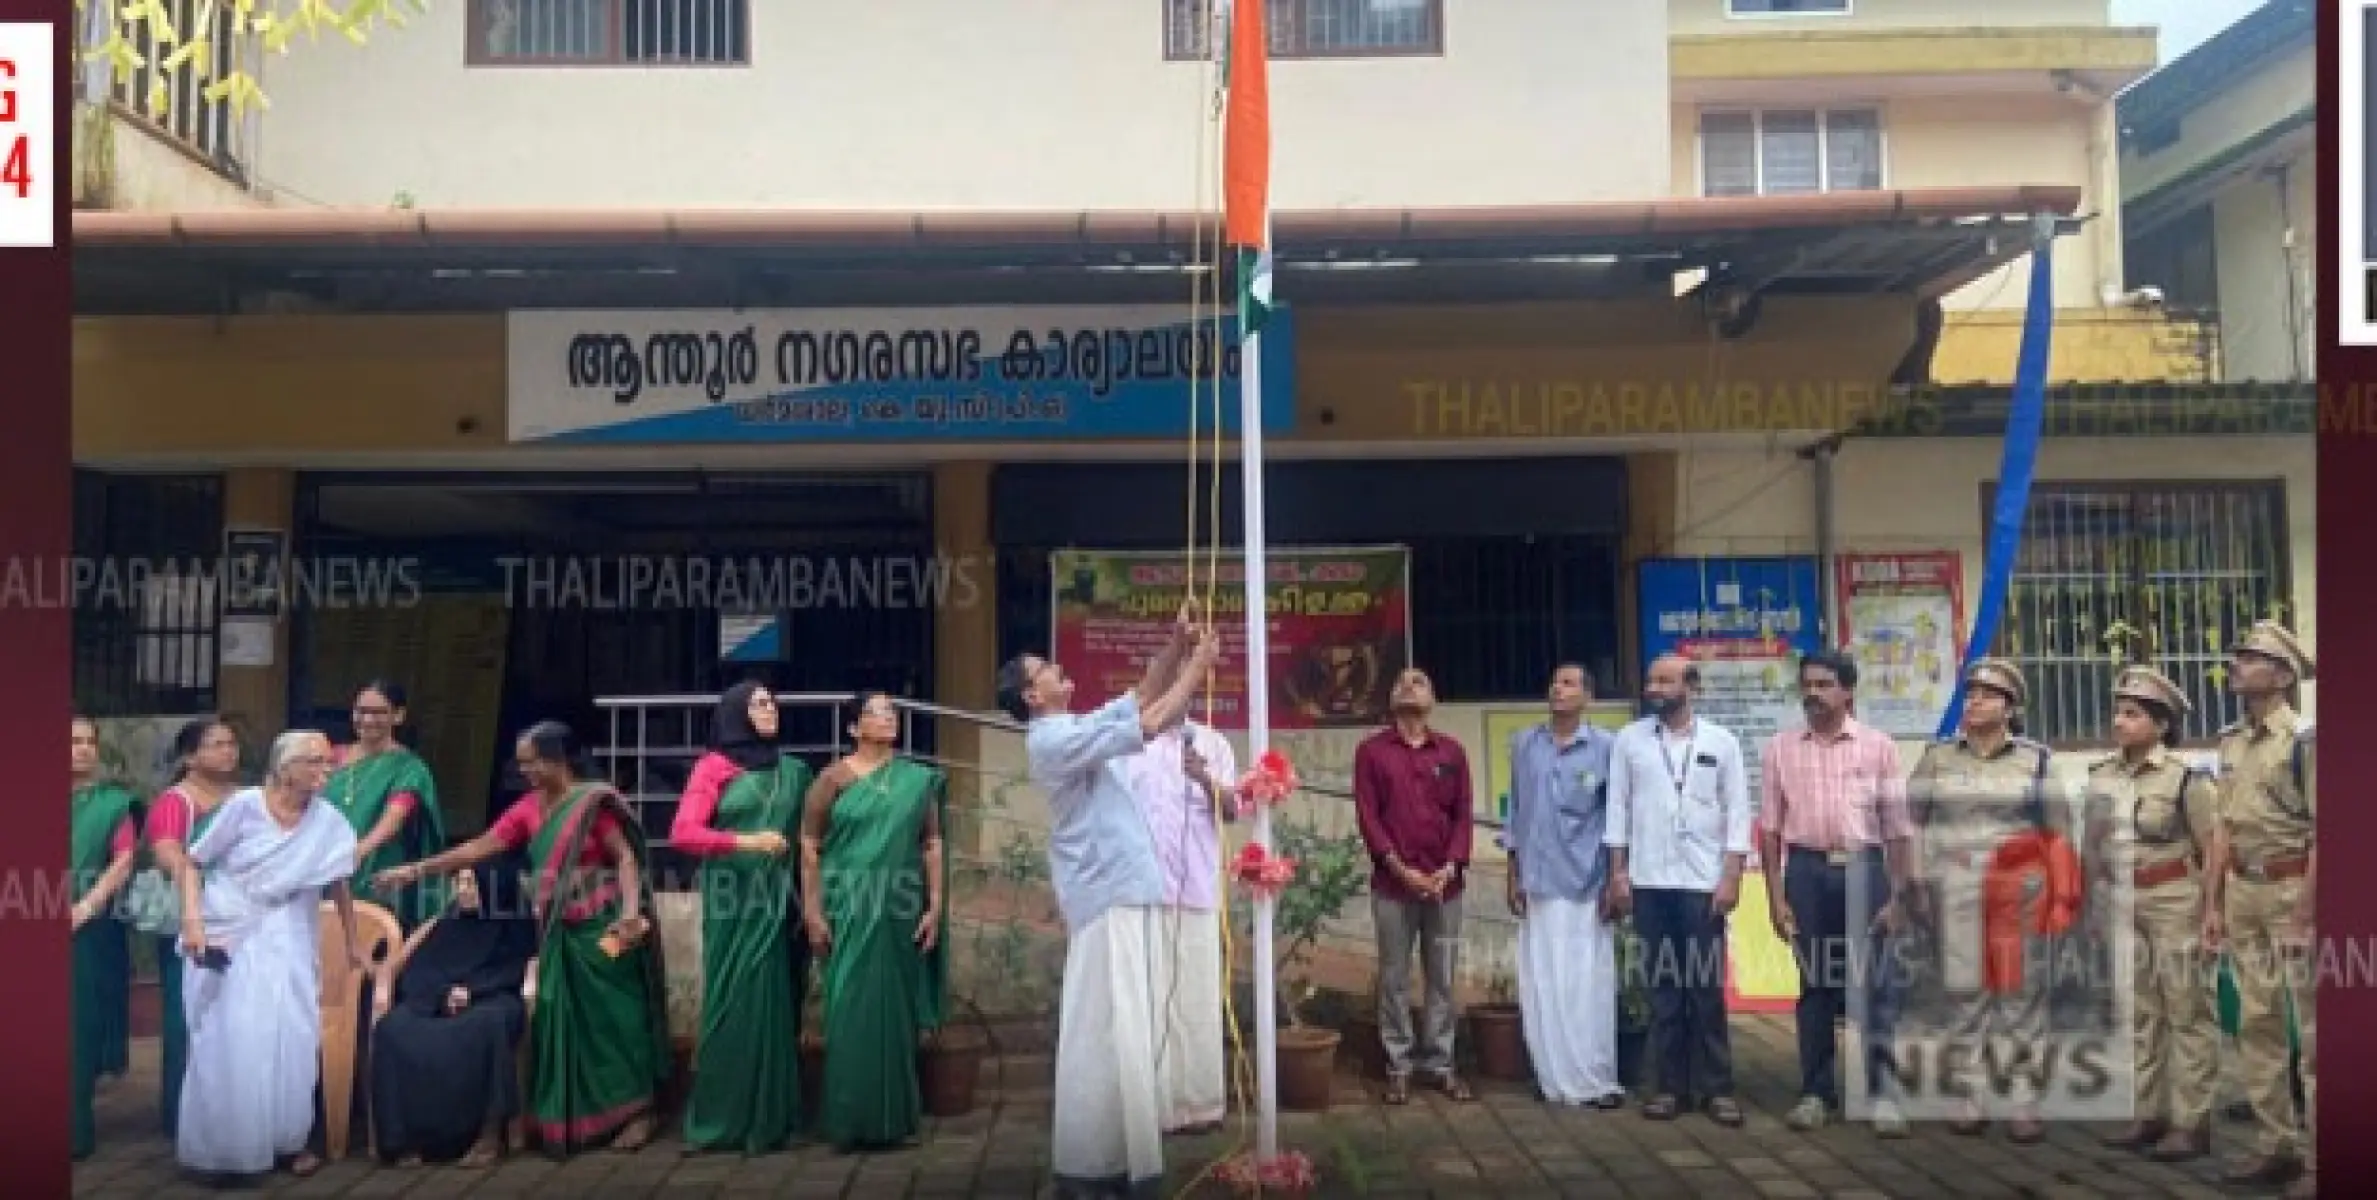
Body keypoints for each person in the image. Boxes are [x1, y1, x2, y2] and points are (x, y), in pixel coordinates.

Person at [995, 603, 1219, 1199]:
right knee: (1105, 1033)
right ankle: (1092, 1166)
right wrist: (1198, 666)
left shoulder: (1069, 729)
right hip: (1107, 895)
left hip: (1124, 892)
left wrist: (1174, 649)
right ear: (1031, 694)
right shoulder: (1050, 740)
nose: (1059, 668)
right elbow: (1150, 724)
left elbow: (1139, 701)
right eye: (1046, 668)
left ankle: (1119, 1162)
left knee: (1126, 1032)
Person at [373, 721, 670, 1156]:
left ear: (559, 760)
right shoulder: (528, 809)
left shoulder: (591, 804)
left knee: (616, 1023)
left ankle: (639, 1114)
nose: (524, 770)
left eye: (532, 761)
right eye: (522, 762)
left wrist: (628, 915)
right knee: (559, 1018)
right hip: (556, 930)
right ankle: (581, 1119)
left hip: (603, 926)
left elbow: (625, 858)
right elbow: (479, 848)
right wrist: (416, 870)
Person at [175, 730, 364, 1179]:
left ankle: (287, 1141)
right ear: (285, 767)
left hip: (292, 934)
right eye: (314, 762)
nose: (325, 770)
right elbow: (192, 863)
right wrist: (193, 923)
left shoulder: (330, 822)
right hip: (232, 929)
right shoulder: (244, 806)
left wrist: (354, 941)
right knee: (236, 1036)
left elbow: (338, 882)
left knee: (293, 1037)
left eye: (327, 762)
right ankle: (227, 1149)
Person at [1905, 657, 2066, 1143]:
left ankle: (2023, 1098)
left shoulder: (2036, 760)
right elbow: (1911, 820)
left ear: (2009, 707)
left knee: (2022, 996)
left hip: (2019, 894)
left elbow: (2058, 833)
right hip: (1955, 889)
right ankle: (1969, 1096)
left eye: (1986, 694)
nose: (1973, 701)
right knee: (1963, 992)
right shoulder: (1938, 758)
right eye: (1970, 692)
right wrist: (1915, 876)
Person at [1759, 650, 1915, 1137]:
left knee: (1875, 987)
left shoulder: (1878, 747)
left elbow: (1898, 829)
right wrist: (1775, 897)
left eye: (1825, 684)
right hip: (1806, 872)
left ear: (1848, 691)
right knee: (1815, 987)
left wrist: (1899, 897)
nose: (1813, 693)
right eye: (1807, 684)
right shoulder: (1781, 749)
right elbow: (1768, 831)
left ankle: (1883, 1094)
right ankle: (1816, 1092)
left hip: (1865, 871)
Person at [1604, 654, 1751, 1127]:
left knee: (1705, 988)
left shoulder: (1721, 742)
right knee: (1663, 989)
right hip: (1649, 881)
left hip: (1703, 883)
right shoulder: (1630, 741)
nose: (1654, 687)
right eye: (1651, 679)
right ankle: (1668, 1088)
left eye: (1665, 680)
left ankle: (1717, 1089)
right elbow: (1617, 810)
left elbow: (1738, 814)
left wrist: (1731, 876)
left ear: (1692, 687)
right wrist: (1618, 873)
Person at [801, 691, 951, 1151]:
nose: (887, 719)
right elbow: (809, 845)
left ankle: (895, 1121)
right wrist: (812, 910)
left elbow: (931, 844)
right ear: (852, 728)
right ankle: (848, 1121)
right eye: (875, 712)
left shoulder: (915, 781)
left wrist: (935, 905)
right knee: (849, 1011)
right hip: (848, 907)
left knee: (895, 1015)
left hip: (900, 908)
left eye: (893, 712)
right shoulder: (832, 779)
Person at [2201, 620, 2316, 1194]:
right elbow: (2223, 826)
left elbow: (2327, 833)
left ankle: (2322, 1161)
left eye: (2250, 658)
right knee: (2257, 1023)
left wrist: (2304, 917)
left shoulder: (2305, 742)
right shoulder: (2230, 742)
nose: (2237, 665)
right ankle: (2277, 1146)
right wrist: (2213, 905)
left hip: (2295, 890)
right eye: (2238, 656)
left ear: (2281, 675)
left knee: (2316, 1034)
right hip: (2243, 891)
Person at [670, 681, 809, 1155]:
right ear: (736, 714)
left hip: (779, 898)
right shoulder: (713, 768)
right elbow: (684, 833)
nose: (771, 708)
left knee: (774, 999)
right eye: (760, 703)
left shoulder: (794, 772)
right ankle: (719, 1119)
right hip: (732, 900)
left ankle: (770, 1118)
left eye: (774, 700)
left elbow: (812, 838)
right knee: (732, 998)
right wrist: (746, 842)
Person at [2090, 666, 2219, 1162]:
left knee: (2186, 1011)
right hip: (2125, 901)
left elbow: (2213, 849)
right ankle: (2149, 1114)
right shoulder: (2102, 776)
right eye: (2117, 712)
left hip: (2175, 899)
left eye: (2133, 714)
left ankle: (2192, 1123)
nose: (2119, 722)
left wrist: (2212, 912)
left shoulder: (2186, 780)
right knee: (2143, 1013)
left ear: (2161, 725)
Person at [1353, 667, 1477, 1106]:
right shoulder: (1371, 752)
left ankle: (1440, 1064)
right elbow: (1369, 816)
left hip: (1446, 885)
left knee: (1442, 976)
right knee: (1393, 977)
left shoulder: (1453, 753)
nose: (1409, 684)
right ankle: (1399, 1067)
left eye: (1420, 680)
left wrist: (1451, 865)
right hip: (1393, 885)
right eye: (1401, 680)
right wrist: (1398, 867)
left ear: (1434, 698)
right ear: (1390, 699)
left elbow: (1463, 814)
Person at [1502, 663, 1621, 1108]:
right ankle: (1551, 1076)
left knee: (1586, 984)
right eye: (1554, 680)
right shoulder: (1525, 745)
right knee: (1542, 983)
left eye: (1569, 683)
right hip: (1538, 881)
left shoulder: (1606, 748)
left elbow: (1615, 820)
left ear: (1587, 697)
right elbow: (1515, 812)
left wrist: (1615, 878)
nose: (1557, 687)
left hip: (1586, 884)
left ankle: (1595, 1078)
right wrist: (1512, 872)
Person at [370, 859, 538, 1168]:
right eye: (458, 882)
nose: (461, 890)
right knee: (393, 1029)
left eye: (470, 883)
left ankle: (487, 1136)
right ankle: (405, 1140)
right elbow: (420, 969)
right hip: (436, 1000)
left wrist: (472, 991)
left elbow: (516, 968)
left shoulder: (514, 922)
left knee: (488, 1025)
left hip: (493, 1000)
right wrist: (442, 995)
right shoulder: (448, 922)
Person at [1124, 710, 1238, 1134]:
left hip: (1196, 891)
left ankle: (1201, 1104)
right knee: (1150, 1000)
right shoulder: (1132, 745)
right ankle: (1152, 1106)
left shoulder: (1212, 743)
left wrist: (1204, 777)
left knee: (1197, 1001)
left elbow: (1232, 811)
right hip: (1145, 892)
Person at [138, 716, 242, 1141]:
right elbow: (170, 856)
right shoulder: (175, 802)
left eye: (232, 743)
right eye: (217, 744)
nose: (228, 751)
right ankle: (182, 1114)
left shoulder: (247, 798)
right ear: (190, 756)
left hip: (243, 919)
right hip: (192, 918)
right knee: (188, 1016)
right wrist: (201, 899)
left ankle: (232, 1111)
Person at [69, 715, 140, 1162]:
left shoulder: (115, 803)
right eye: (72, 742)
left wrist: (84, 908)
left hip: (87, 929)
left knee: (76, 1028)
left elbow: (124, 860)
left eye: (89, 742)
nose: (83, 749)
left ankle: (72, 1130)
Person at [329, 680, 449, 930]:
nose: (368, 719)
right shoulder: (330, 757)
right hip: (324, 869)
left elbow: (396, 815)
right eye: (361, 711)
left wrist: (360, 851)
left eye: (379, 712)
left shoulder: (408, 768)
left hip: (376, 870)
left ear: (398, 715)